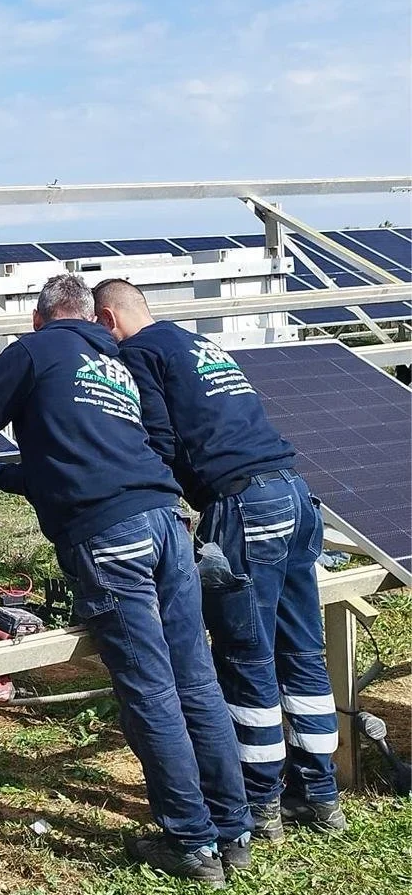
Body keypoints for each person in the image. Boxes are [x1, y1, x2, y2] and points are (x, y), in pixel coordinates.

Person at [0, 274, 252, 886]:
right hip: (169, 522)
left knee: (150, 689)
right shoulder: (117, 359)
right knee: (195, 678)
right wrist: (11, 475)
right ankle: (234, 827)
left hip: (111, 536)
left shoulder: (33, 352)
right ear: (92, 317)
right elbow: (120, 447)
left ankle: (193, 845)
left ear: (39, 319)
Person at [93, 278, 345, 841]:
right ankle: (321, 795)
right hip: (296, 496)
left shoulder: (138, 354)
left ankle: (262, 803)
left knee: (245, 655)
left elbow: (156, 438)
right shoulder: (196, 344)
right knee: (301, 649)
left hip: (244, 505)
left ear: (109, 319)